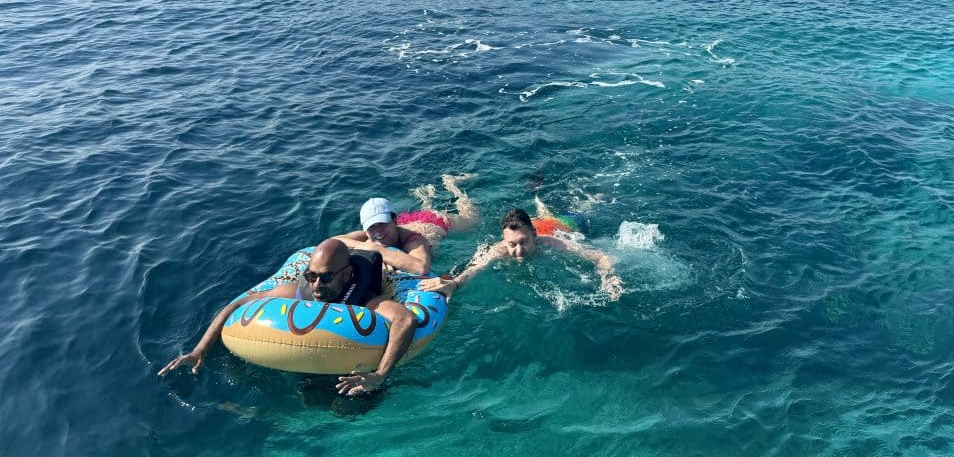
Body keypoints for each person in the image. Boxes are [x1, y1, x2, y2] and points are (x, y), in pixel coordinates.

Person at [158, 238, 415, 396]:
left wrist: (380, 375)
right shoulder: (298, 292)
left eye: (326, 277)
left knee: (352, 409)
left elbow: (405, 319)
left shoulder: (365, 300)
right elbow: (239, 304)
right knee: (308, 396)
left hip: (354, 370)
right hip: (313, 364)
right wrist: (199, 350)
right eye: (311, 276)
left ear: (347, 275)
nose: (316, 285)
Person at [419, 207, 624, 301]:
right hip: (539, 223)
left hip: (564, 225)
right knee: (542, 210)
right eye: (512, 244)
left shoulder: (550, 242)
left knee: (583, 209)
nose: (518, 251)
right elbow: (476, 267)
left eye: (524, 242)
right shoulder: (499, 251)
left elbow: (601, 256)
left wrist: (609, 277)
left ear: (534, 235)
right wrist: (454, 283)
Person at [333, 174, 479, 276]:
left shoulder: (415, 241)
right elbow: (333, 241)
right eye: (371, 227)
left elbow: (421, 267)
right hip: (407, 221)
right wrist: (368, 247)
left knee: (471, 219)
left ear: (393, 221)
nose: (377, 231)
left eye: (382, 223)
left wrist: (375, 250)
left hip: (434, 222)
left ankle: (453, 186)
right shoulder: (368, 234)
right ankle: (427, 195)